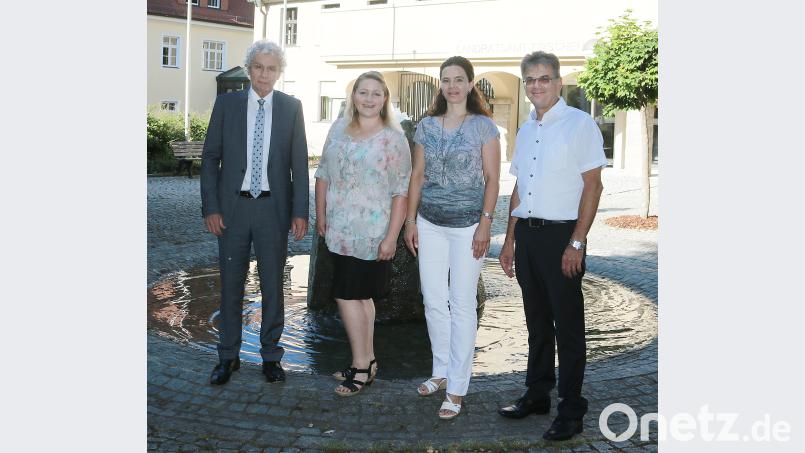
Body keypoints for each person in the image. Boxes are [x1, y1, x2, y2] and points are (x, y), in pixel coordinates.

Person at [497, 51, 606, 441]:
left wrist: (577, 241)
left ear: (559, 83)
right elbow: (520, 188)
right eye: (530, 79)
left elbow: (593, 187)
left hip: (563, 238)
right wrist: (510, 239)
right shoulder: (526, 129)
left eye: (544, 78)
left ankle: (571, 410)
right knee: (537, 322)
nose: (537, 85)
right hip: (528, 235)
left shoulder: (580, 124)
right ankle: (537, 393)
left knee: (568, 328)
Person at [200, 40, 309, 386]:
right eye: (259, 67)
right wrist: (211, 207)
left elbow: (299, 165)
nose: (264, 74)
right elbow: (210, 158)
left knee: (273, 285)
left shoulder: (291, 107)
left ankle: (271, 357)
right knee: (231, 285)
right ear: (249, 69)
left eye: (271, 68)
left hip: (273, 210)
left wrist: (300, 211)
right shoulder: (227, 104)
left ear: (279, 72)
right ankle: (227, 356)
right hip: (232, 210)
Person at [404, 56, 501, 419]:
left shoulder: (484, 127)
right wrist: (410, 222)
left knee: (461, 304)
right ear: (440, 85)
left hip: (468, 228)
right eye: (446, 80)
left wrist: (485, 224)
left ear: (471, 84)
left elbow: (493, 179)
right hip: (429, 223)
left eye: (459, 79)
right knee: (433, 300)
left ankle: (457, 387)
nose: (452, 86)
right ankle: (441, 370)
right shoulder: (427, 126)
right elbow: (417, 177)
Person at [314, 71, 411, 397]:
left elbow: (401, 191)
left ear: (385, 99)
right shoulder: (338, 129)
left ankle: (359, 365)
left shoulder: (393, 138)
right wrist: (321, 214)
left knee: (347, 294)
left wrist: (391, 236)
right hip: (339, 229)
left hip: (372, 232)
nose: (369, 99)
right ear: (353, 96)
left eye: (376, 93)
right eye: (363, 92)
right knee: (360, 296)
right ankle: (367, 361)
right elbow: (323, 173)